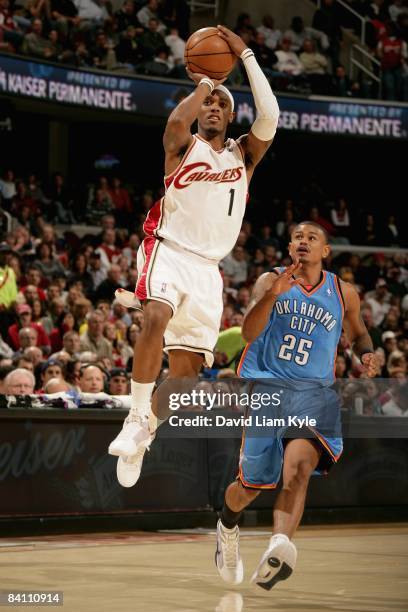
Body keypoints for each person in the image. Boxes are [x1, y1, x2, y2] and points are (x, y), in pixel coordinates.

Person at [109, 25, 280, 488]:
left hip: (208, 271)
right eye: (208, 102)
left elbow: (271, 115)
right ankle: (136, 414)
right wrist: (206, 81)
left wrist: (243, 56)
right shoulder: (183, 146)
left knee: (185, 374)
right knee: (154, 317)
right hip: (168, 249)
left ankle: (145, 431)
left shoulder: (243, 156)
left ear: (230, 115)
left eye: (222, 104)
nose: (213, 107)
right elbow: (172, 124)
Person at [215, 221, 379, 590]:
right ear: (290, 248)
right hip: (269, 390)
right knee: (251, 486)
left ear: (325, 251)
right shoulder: (269, 281)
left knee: (300, 467)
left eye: (312, 237)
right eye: (298, 237)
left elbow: (358, 332)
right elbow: (247, 334)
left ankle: (279, 546)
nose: (304, 242)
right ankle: (226, 527)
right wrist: (273, 295)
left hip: (314, 395)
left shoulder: (342, 291)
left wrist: (367, 354)